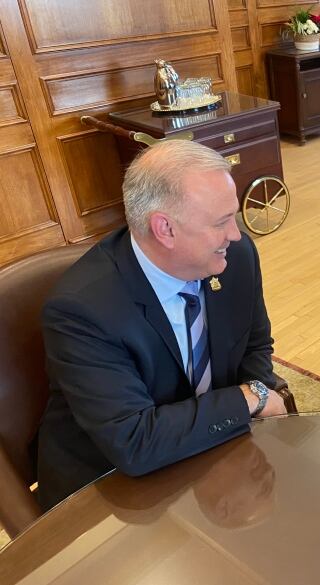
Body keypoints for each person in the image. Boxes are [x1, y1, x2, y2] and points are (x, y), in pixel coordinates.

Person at [37, 139, 287, 510]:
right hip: (110, 490)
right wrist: (249, 398)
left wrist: (252, 397)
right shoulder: (81, 311)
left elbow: (254, 344)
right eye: (221, 223)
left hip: (205, 450)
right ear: (165, 229)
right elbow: (134, 443)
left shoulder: (237, 257)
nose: (235, 235)